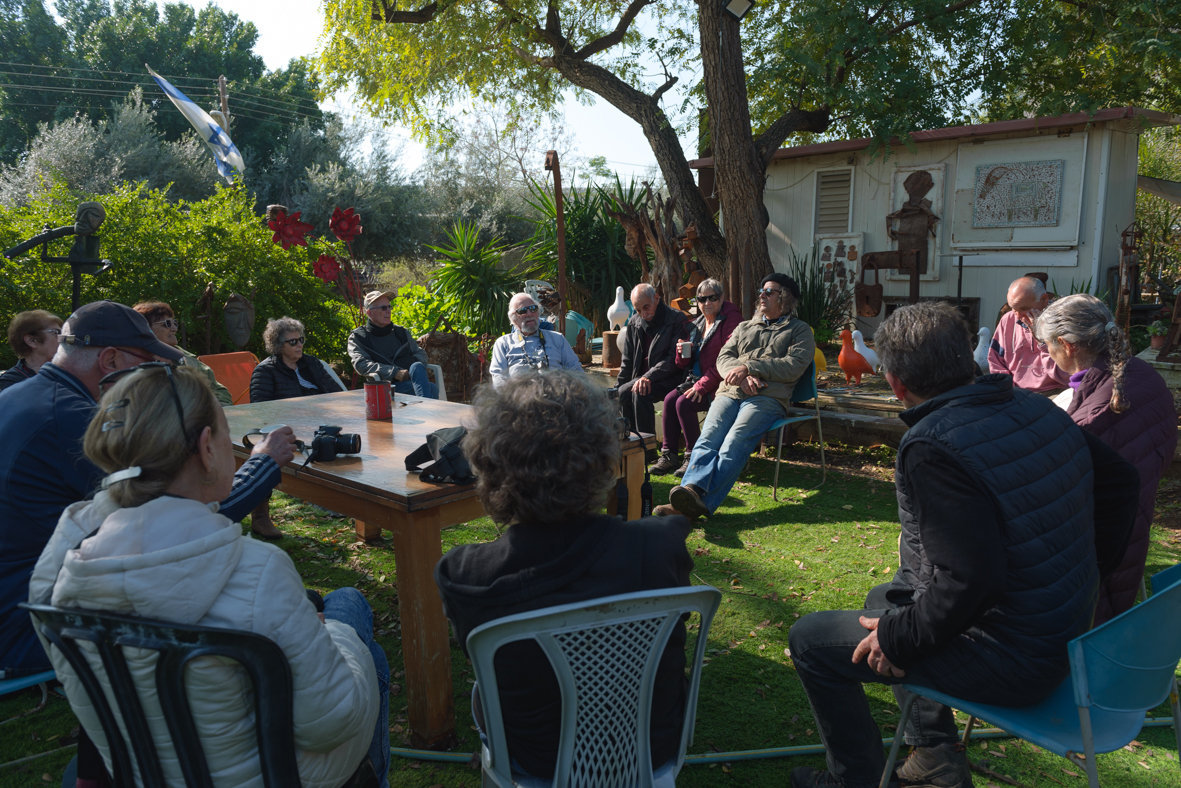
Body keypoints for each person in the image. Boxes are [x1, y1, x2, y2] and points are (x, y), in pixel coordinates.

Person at [787, 302, 1138, 788]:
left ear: (896, 384)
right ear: (965, 359)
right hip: (1066, 629)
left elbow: (973, 580)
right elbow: (1122, 481)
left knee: (811, 641)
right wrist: (1086, 575)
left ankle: (855, 781)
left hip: (1019, 658)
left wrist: (897, 639)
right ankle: (934, 754)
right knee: (885, 601)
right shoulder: (1034, 404)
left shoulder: (934, 445)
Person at [28, 364, 389, 788]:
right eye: (224, 435)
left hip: (143, 772)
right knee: (351, 610)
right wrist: (341, 636)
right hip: (274, 775)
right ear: (206, 448)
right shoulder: (258, 572)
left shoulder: (59, 564)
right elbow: (332, 723)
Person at [0, 300, 294, 682]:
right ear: (109, 360)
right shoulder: (75, 423)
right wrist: (264, 463)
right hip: (37, 625)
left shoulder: (20, 396)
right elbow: (178, 522)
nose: (152, 379)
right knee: (289, 606)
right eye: (145, 365)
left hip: (31, 597)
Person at [434, 371, 693, 780]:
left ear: (488, 465)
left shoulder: (465, 574)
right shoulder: (660, 546)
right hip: (649, 753)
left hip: (533, 762)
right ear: (602, 456)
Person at [1036, 294, 1178, 624]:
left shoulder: (1097, 413)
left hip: (1099, 551)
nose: (1047, 354)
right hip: (1131, 526)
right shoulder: (1143, 375)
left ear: (1066, 345)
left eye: (1047, 346)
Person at [655, 273, 814, 520]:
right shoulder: (744, 327)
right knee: (708, 437)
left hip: (767, 398)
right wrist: (741, 376)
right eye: (762, 290)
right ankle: (690, 491)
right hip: (731, 391)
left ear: (785, 297)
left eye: (769, 291)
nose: (762, 294)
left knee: (734, 442)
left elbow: (794, 365)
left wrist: (750, 367)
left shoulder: (800, 330)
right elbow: (723, 358)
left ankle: (697, 504)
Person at [249, 316, 346, 538]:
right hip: (287, 429)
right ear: (278, 346)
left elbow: (337, 394)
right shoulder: (266, 371)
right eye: (292, 342)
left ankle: (338, 496)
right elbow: (260, 410)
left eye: (300, 339)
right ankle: (260, 516)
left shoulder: (311, 364)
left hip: (322, 423)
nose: (299, 345)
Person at [650, 278, 742, 476]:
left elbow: (726, 361)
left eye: (713, 298)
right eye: (702, 299)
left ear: (722, 298)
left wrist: (703, 386)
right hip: (696, 379)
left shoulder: (731, 320)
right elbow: (682, 364)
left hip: (721, 384)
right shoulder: (697, 324)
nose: (707, 303)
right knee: (669, 400)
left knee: (684, 403)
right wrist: (681, 352)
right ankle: (669, 455)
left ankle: (694, 457)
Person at [616, 283, 689, 453]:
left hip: (672, 377)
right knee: (622, 393)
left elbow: (673, 359)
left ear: (656, 299)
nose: (644, 314)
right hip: (642, 378)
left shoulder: (676, 319)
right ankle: (631, 445)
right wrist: (616, 388)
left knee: (640, 392)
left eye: (646, 307)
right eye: (638, 310)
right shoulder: (634, 323)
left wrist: (648, 376)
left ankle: (646, 450)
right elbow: (627, 362)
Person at [132, 300, 232, 406]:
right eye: (167, 324)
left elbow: (220, 393)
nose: (174, 329)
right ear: (146, 328)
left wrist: (216, 412)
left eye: (174, 323)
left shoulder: (188, 360)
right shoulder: (132, 361)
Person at [348, 290, 438, 398]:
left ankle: (423, 413)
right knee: (432, 388)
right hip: (385, 386)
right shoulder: (358, 337)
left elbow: (420, 353)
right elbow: (361, 364)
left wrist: (411, 366)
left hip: (410, 380)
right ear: (370, 313)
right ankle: (426, 413)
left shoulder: (401, 332)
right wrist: (393, 372)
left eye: (389, 307)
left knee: (417, 366)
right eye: (383, 308)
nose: (388, 311)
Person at [988, 276, 1070, 394]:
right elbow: (995, 361)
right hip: (1014, 391)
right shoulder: (1008, 319)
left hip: (1055, 391)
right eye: (1013, 308)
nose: (1018, 316)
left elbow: (1066, 374)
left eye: (1024, 308)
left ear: (1044, 299)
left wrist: (1042, 340)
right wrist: (1005, 387)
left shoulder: (1063, 321)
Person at [489, 292, 584, 387]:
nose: (529, 314)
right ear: (513, 318)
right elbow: (499, 378)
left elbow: (575, 370)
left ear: (538, 313)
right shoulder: (503, 343)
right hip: (520, 398)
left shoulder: (557, 338)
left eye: (533, 308)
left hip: (556, 397)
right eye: (522, 311)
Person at [0, 309, 62, 392]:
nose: (63, 338)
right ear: (31, 340)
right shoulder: (11, 381)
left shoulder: (67, 373)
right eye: (56, 332)